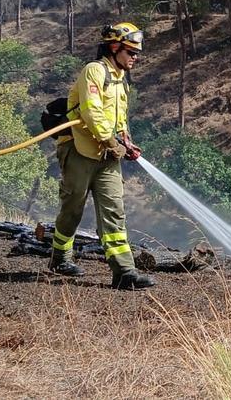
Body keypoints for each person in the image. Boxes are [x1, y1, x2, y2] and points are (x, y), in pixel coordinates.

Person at [49, 22, 155, 290]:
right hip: (80, 150)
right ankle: (60, 257)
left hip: (108, 156)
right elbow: (91, 111)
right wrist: (110, 140)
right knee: (73, 207)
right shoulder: (94, 72)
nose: (135, 57)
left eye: (136, 53)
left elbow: (118, 119)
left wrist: (126, 141)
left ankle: (124, 272)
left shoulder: (120, 81)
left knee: (114, 210)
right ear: (114, 47)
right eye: (130, 52)